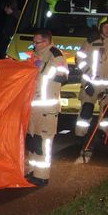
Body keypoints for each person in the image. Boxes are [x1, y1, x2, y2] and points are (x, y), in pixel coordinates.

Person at [25, 29, 68, 187]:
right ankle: (32, 171)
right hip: (33, 106)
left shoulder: (55, 55)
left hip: (47, 108)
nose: (35, 45)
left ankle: (42, 176)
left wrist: (45, 71)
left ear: (47, 41)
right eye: (34, 42)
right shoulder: (35, 54)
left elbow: (64, 76)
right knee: (32, 141)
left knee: (43, 143)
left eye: (38, 42)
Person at [74, 17, 108, 137]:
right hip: (91, 84)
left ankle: (103, 135)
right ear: (100, 28)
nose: (107, 30)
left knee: (106, 113)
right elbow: (79, 58)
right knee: (86, 110)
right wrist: (88, 72)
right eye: (105, 27)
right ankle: (80, 136)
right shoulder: (90, 41)